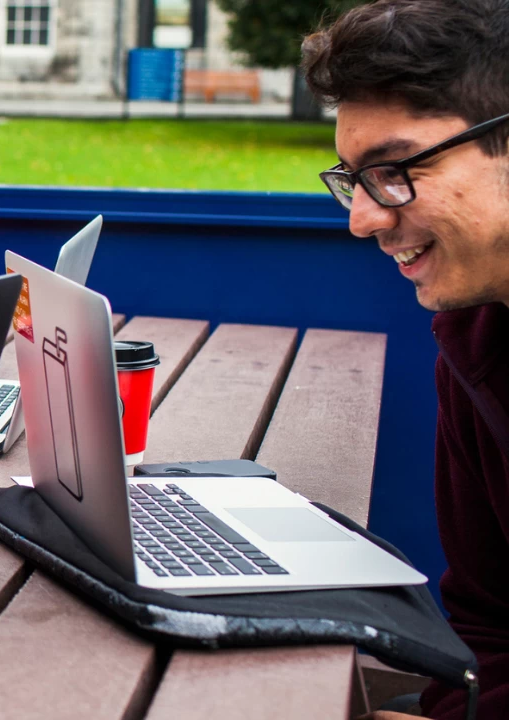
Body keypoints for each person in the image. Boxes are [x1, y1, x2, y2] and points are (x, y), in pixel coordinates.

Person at [302, 1, 509, 718]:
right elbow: (487, 621)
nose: (362, 218)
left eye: (393, 170)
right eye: (353, 179)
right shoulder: (477, 338)